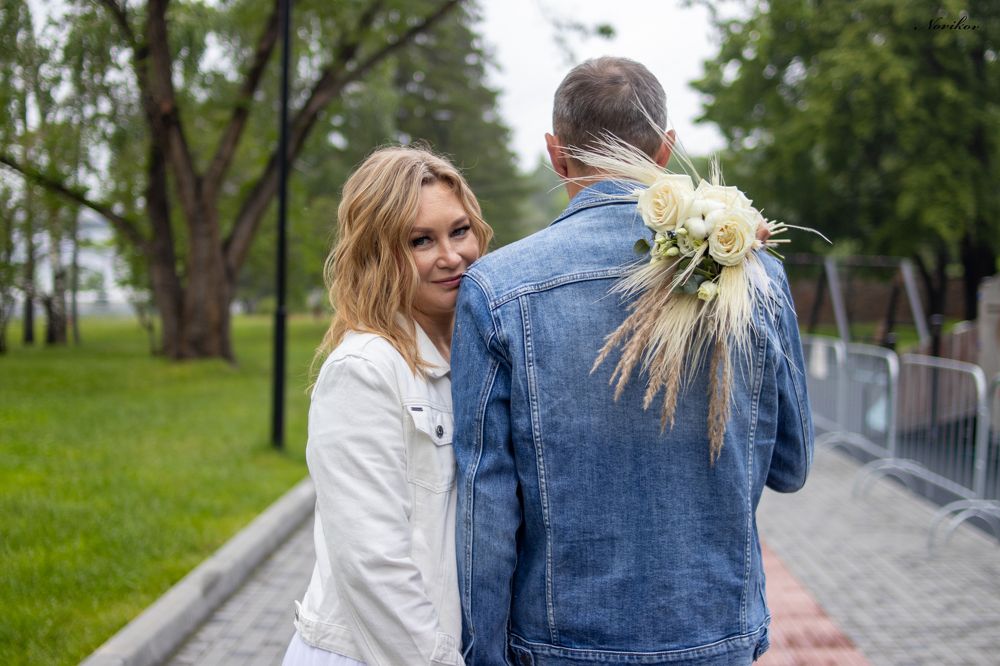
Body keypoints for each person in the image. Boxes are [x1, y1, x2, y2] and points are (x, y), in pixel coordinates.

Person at [450, 57, 814, 665]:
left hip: (561, 644)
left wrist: (483, 654)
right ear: (665, 149)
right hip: (715, 635)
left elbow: (486, 512)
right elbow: (791, 466)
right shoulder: (755, 275)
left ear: (554, 152)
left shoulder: (496, 289)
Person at [284, 146, 492, 666]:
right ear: (379, 255)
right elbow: (371, 566)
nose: (450, 256)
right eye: (420, 241)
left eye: (459, 231)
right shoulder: (365, 369)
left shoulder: (474, 358)